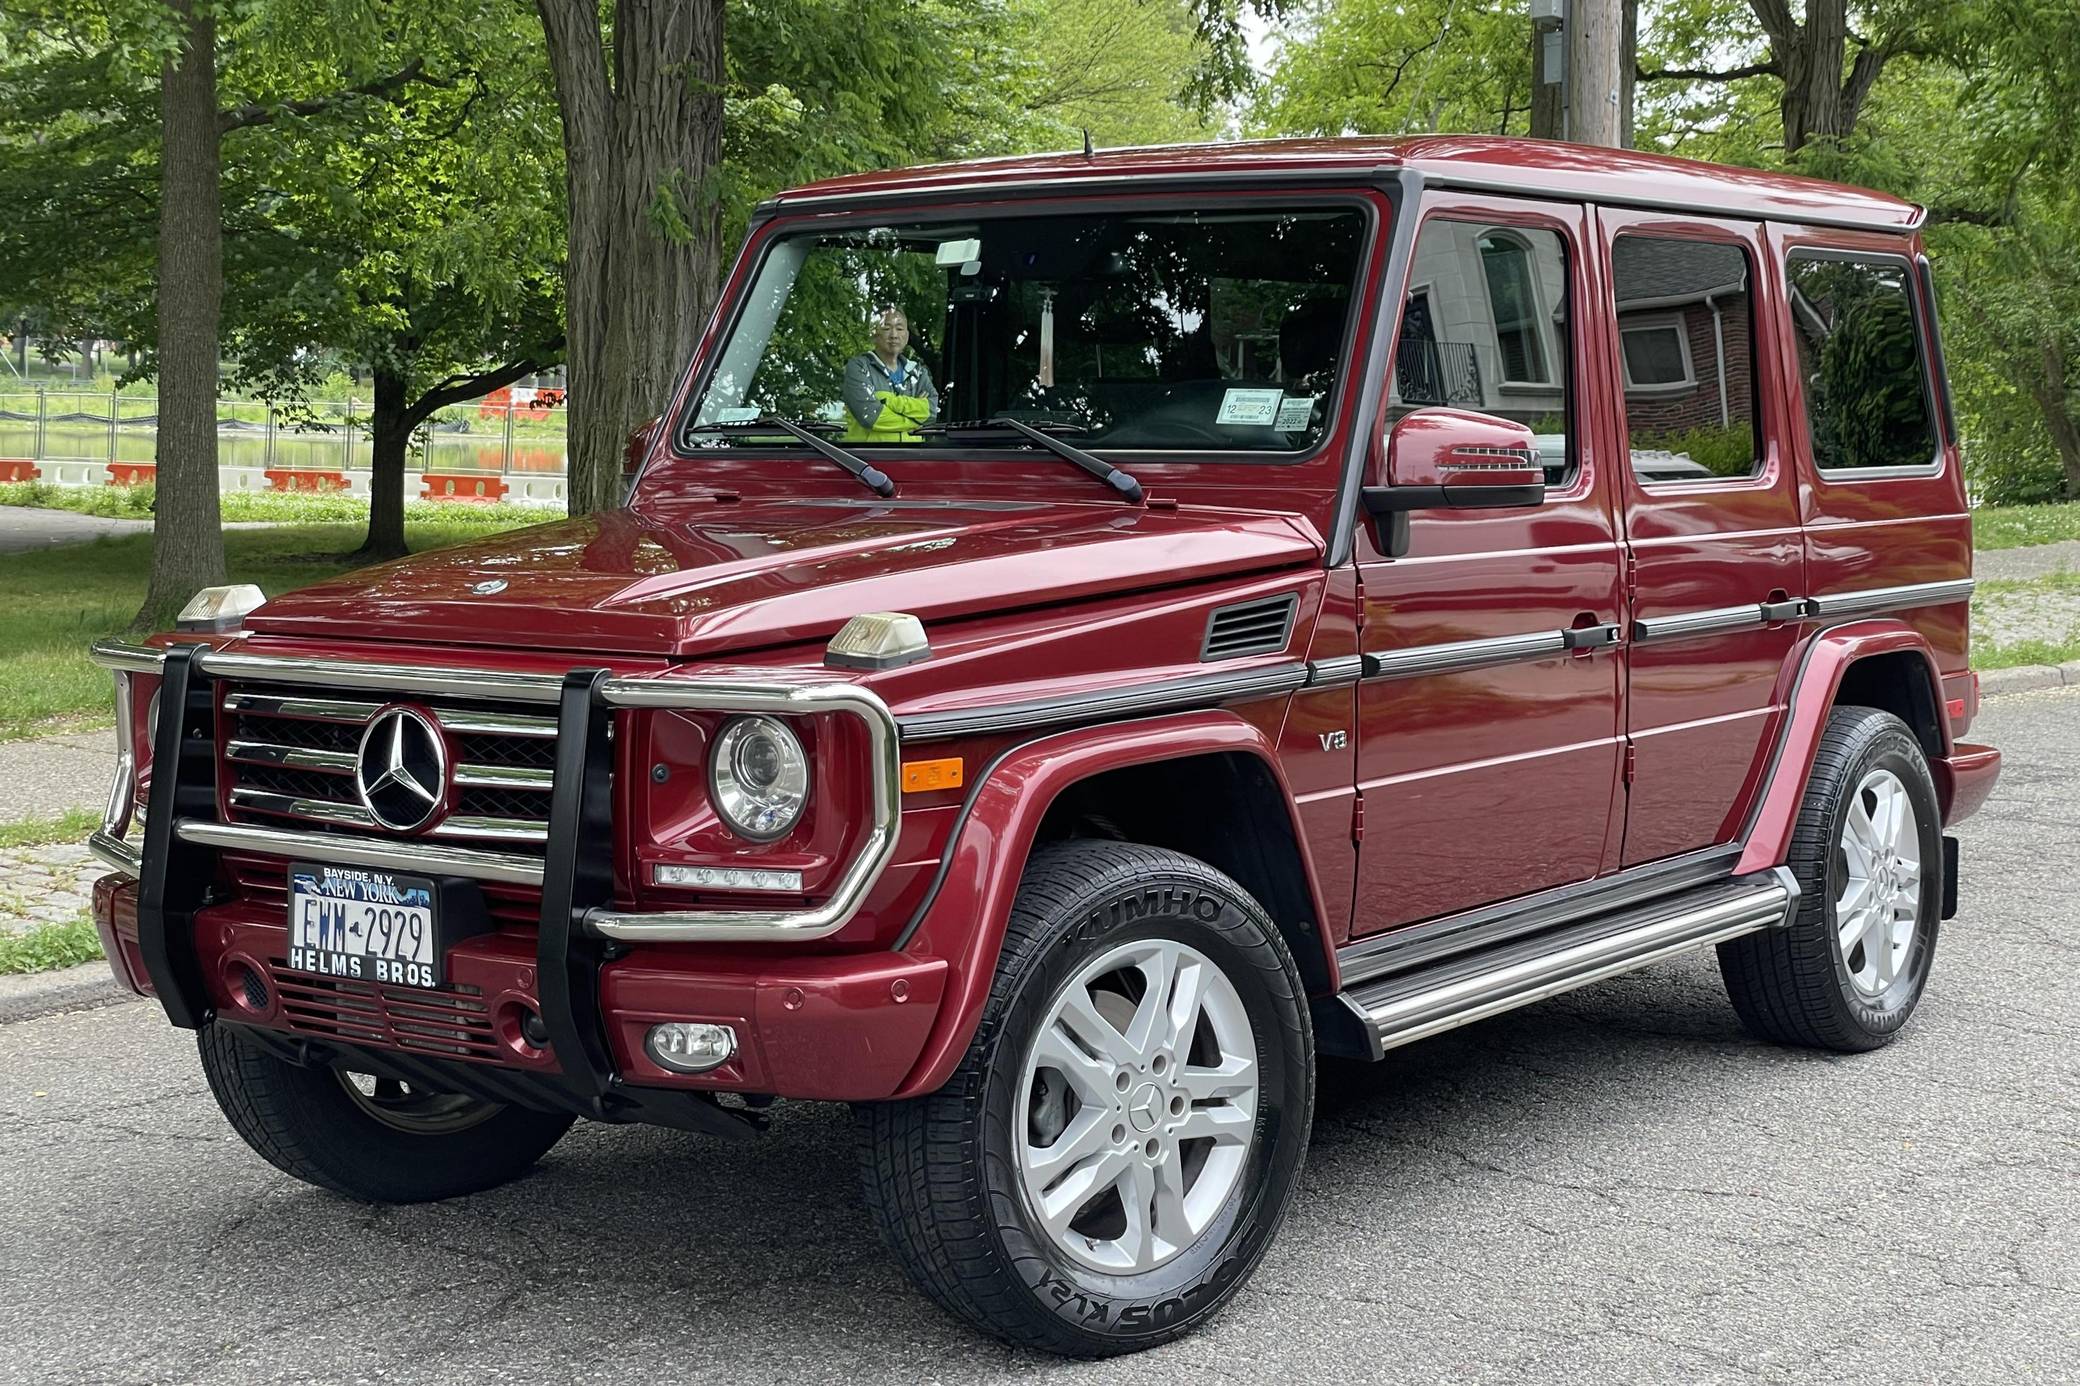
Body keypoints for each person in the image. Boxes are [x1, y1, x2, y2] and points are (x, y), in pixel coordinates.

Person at [842, 307, 939, 443]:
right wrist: (917, 418)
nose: (894, 335)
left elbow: (933, 412)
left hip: (911, 459)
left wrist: (888, 400)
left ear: (907, 335)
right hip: (866, 459)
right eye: (887, 328)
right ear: (874, 334)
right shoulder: (858, 367)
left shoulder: (917, 372)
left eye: (899, 329)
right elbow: (871, 417)